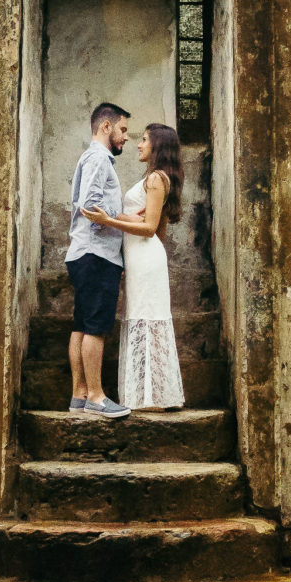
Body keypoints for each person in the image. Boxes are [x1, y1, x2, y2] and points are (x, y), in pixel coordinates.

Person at [81, 123, 185, 411]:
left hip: (147, 258)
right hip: (143, 258)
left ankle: (153, 397)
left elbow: (151, 228)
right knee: (143, 318)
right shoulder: (156, 178)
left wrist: (108, 221)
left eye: (145, 140)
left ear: (158, 146)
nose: (139, 144)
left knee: (147, 318)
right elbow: (158, 229)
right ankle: (150, 395)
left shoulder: (155, 179)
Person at [65, 103, 134, 418]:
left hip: (84, 253)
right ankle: (95, 396)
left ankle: (79, 395)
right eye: (123, 130)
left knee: (81, 325)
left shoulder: (92, 158)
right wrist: (122, 221)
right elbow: (90, 206)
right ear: (106, 126)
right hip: (97, 254)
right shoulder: (98, 158)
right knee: (96, 327)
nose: (126, 138)